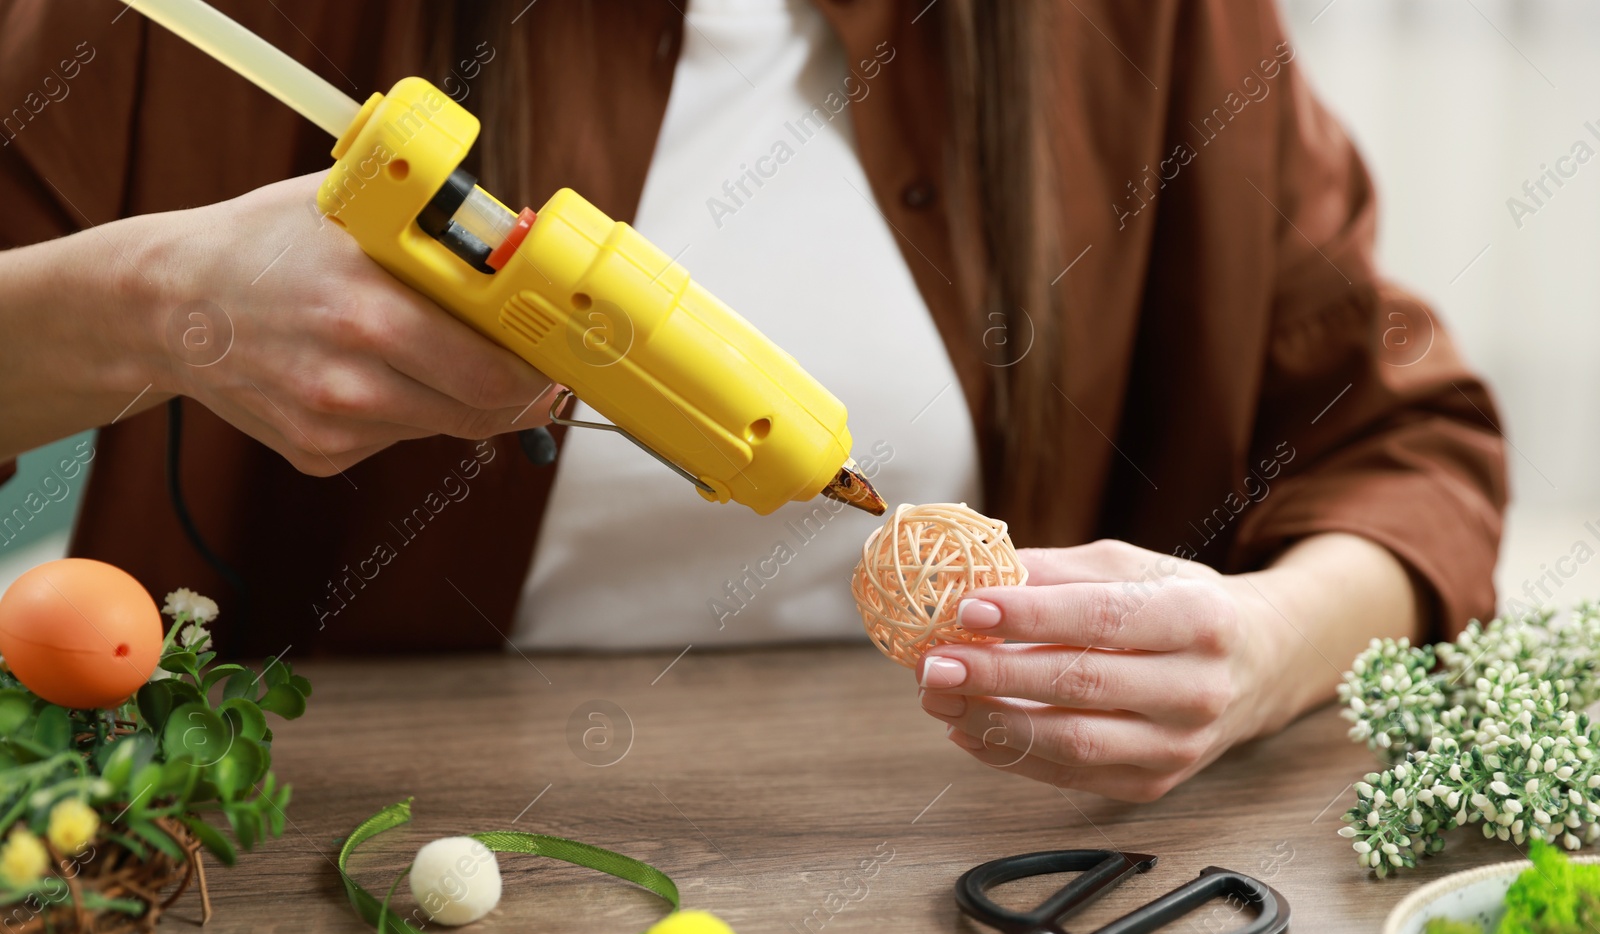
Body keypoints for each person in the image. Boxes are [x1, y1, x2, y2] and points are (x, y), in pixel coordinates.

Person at [0, 0, 1506, 801]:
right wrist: (148, 308)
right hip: (322, 888)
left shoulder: (1145, 26)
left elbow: (1405, 448)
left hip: (961, 885)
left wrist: (1261, 652)